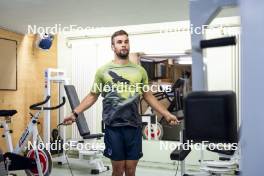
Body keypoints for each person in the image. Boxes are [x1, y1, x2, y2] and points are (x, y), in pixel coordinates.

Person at [63, 30, 179, 176]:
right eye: (119, 42)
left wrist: (167, 114)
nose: (123, 45)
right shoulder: (103, 71)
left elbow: (148, 96)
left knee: (130, 170)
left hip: (134, 126)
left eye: (126, 41)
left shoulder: (139, 71)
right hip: (113, 127)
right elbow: (93, 96)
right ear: (113, 47)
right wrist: (75, 113)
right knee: (118, 170)